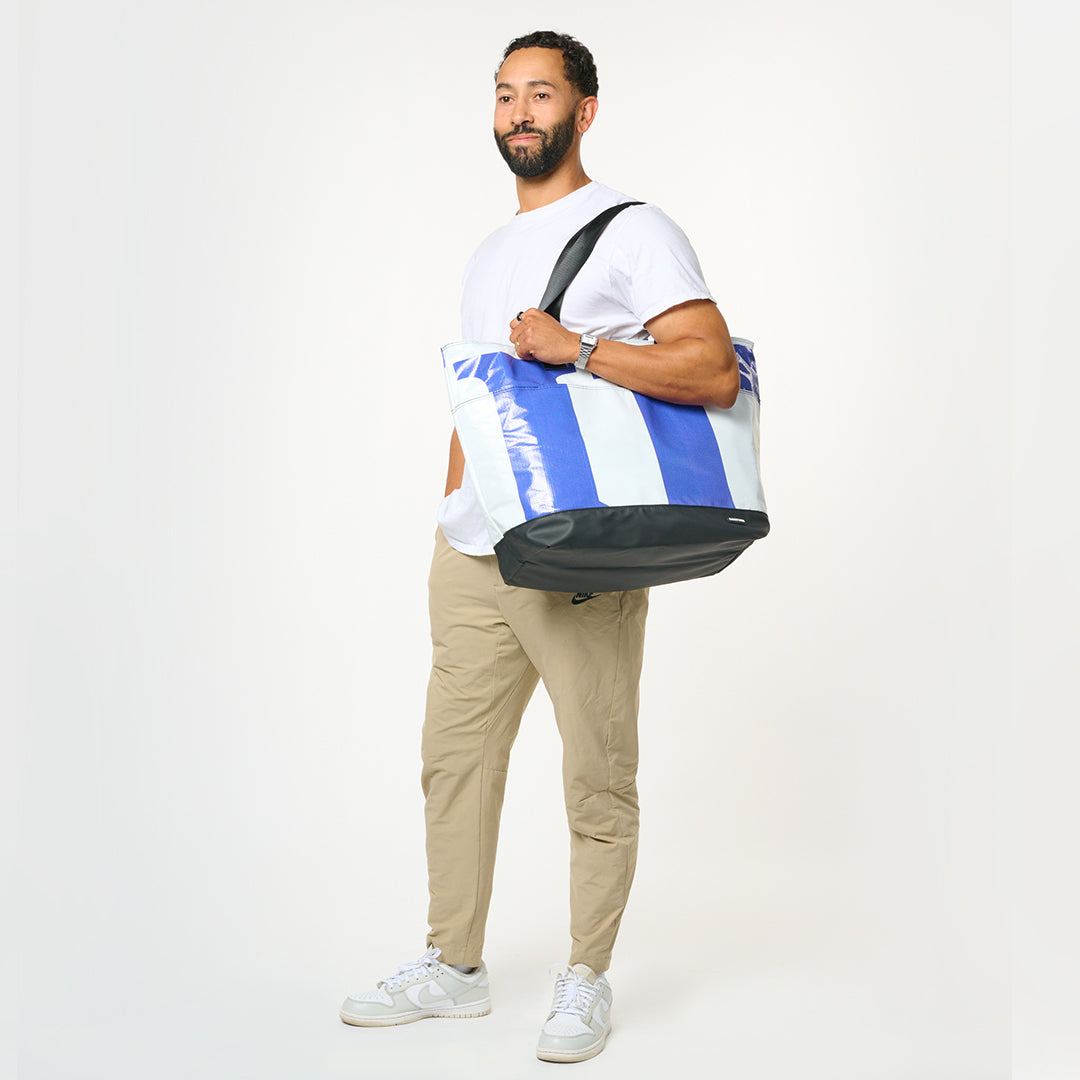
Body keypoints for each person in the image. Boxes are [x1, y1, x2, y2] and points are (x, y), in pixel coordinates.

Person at [340, 30, 740, 1063]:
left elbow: (711, 370)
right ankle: (454, 965)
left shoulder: (635, 230)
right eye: (506, 94)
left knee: (596, 770)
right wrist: (450, 511)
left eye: (542, 94)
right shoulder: (488, 252)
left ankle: (586, 976)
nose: (520, 112)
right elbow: (479, 399)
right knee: (453, 762)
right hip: (476, 549)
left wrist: (581, 348)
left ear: (584, 110)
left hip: (578, 553)